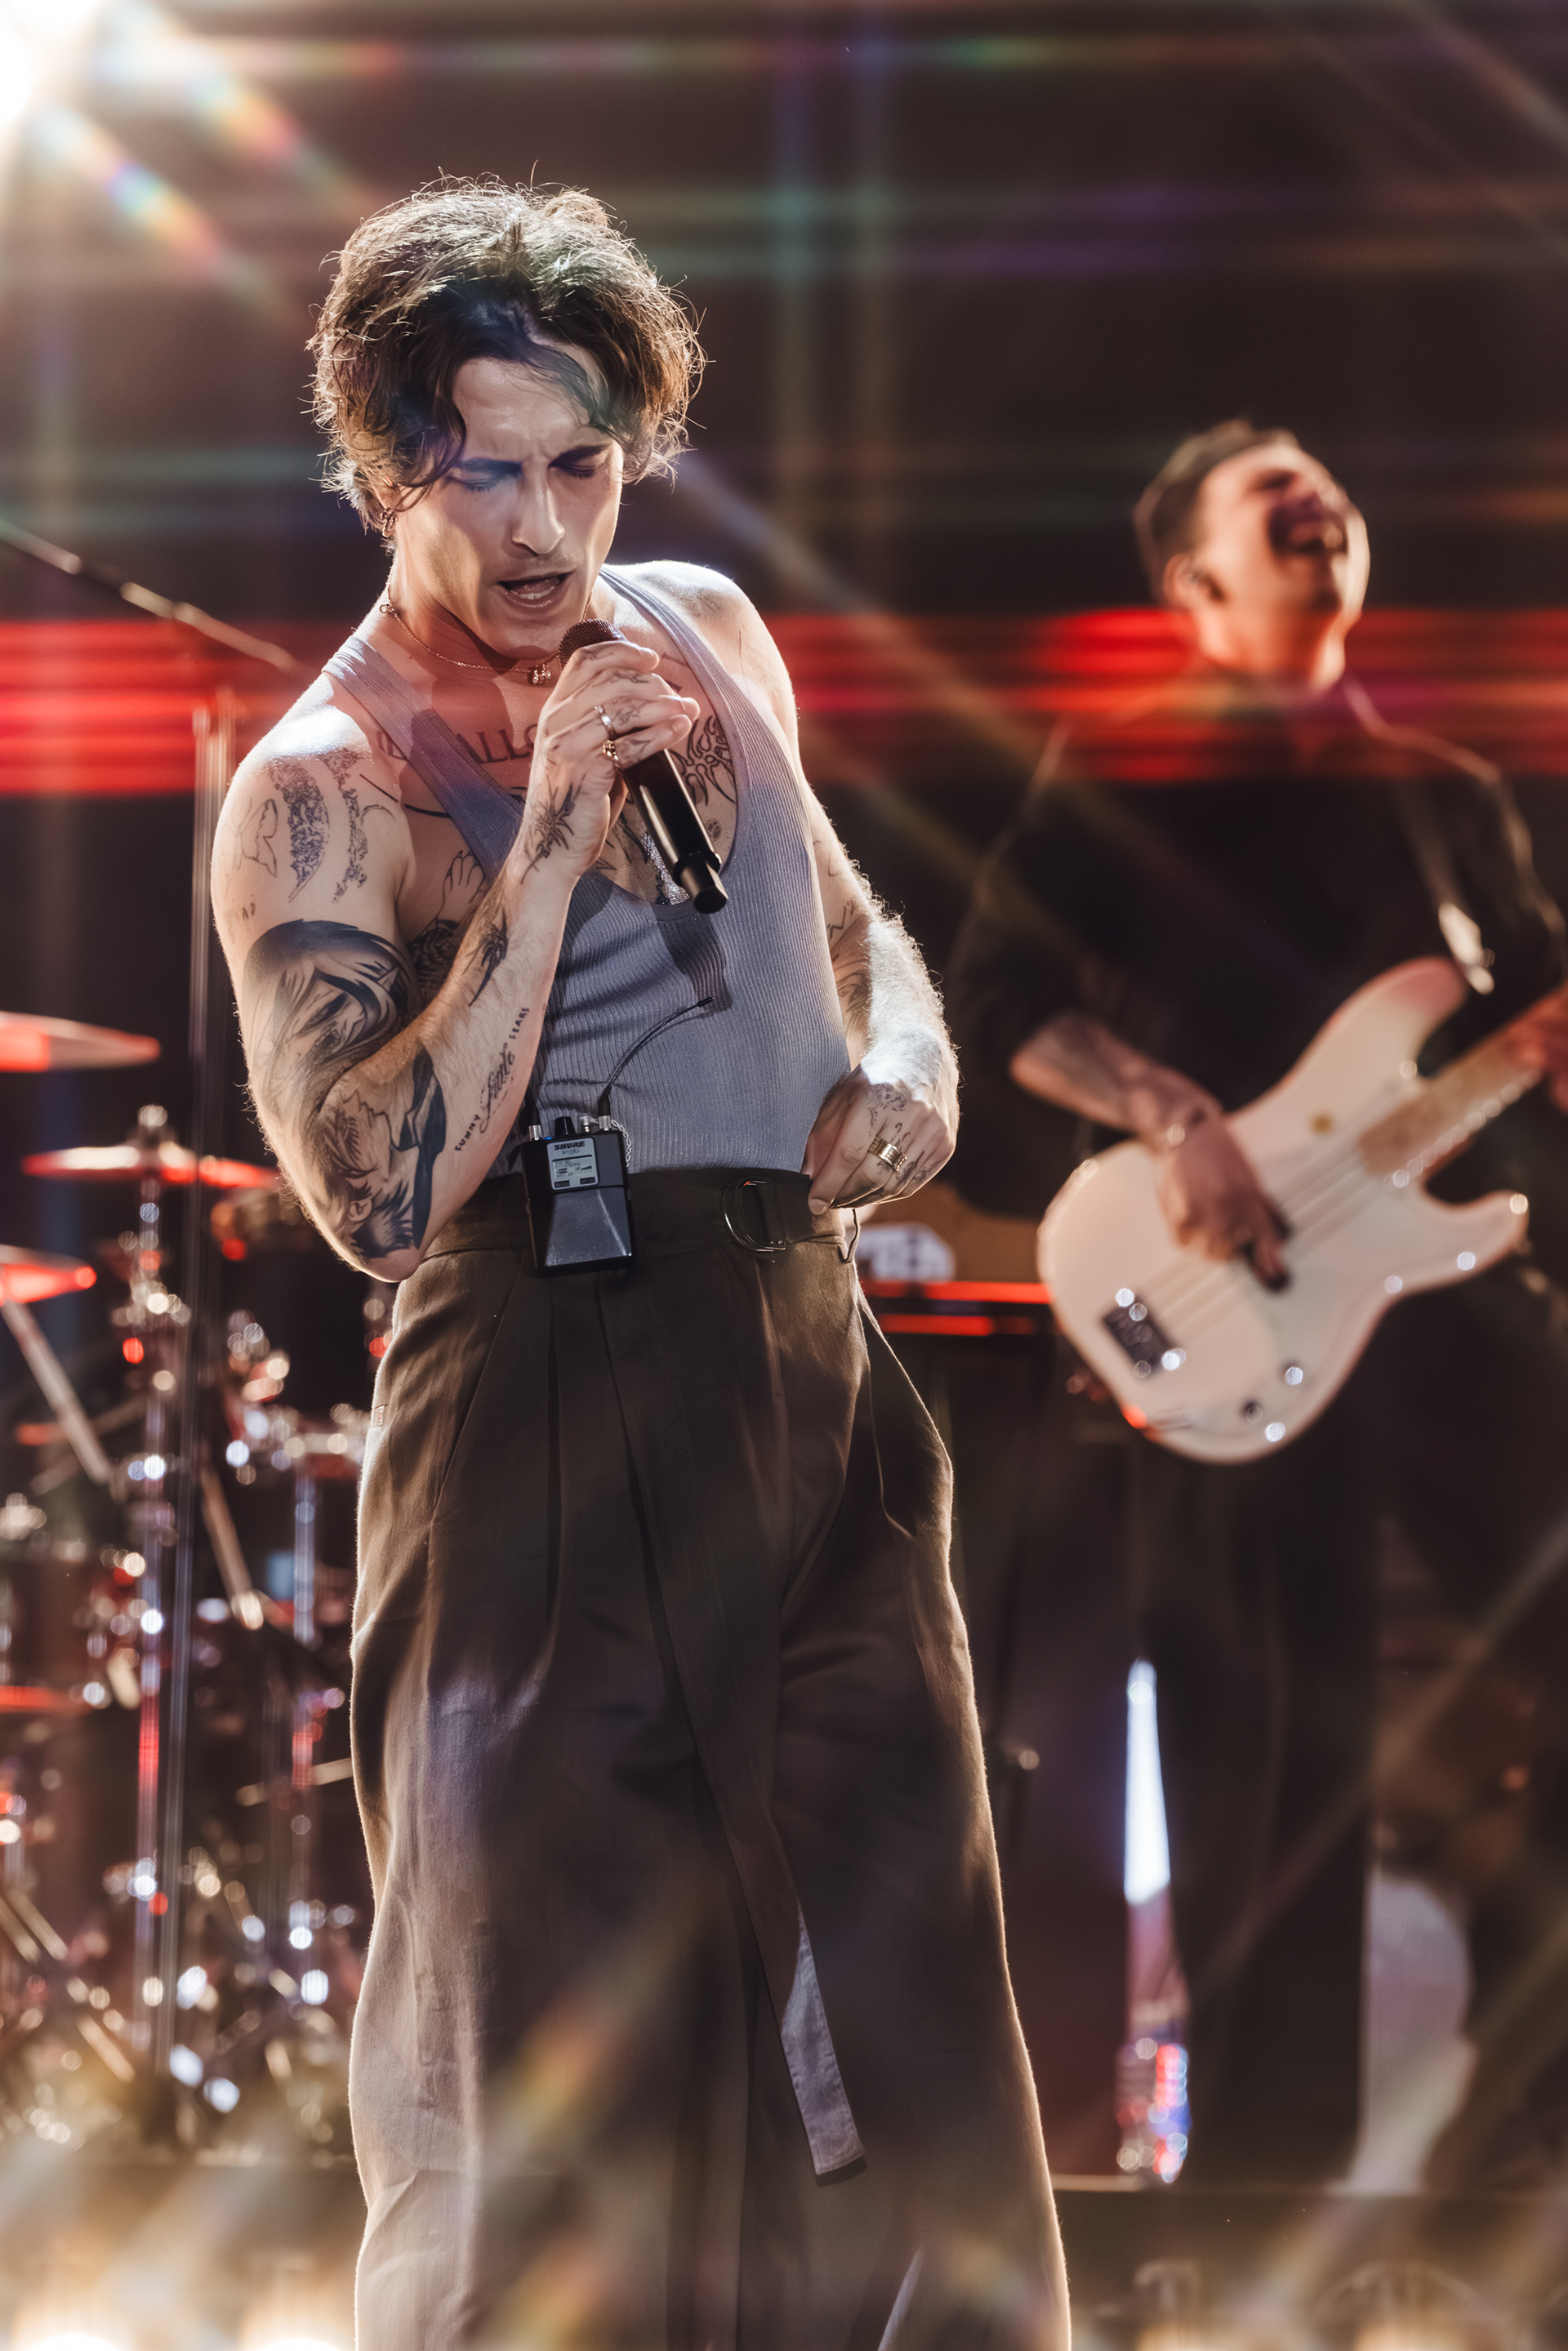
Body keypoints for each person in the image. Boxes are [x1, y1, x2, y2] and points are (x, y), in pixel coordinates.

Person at [211, 180, 1066, 2350]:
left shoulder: (703, 625)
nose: (540, 527)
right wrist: (544, 857)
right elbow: (367, 1200)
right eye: (482, 472)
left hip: (808, 1360)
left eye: (580, 465)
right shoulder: (326, 782)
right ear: (386, 470)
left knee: (906, 2036)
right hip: (544, 1379)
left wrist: (910, 1067)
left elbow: (855, 932)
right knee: (559, 2081)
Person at [947, 420, 1568, 2187]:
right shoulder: (1125, 764)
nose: (1321, 508)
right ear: (1194, 581)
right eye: (1274, 498)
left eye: (1332, 492)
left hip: (1445, 1299)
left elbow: (1519, 1027)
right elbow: (995, 1000)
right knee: (1266, 1766)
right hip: (1227, 1295)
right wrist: (1173, 1116)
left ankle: (1529, 2116)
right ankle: (1261, 2219)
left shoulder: (1446, 788)